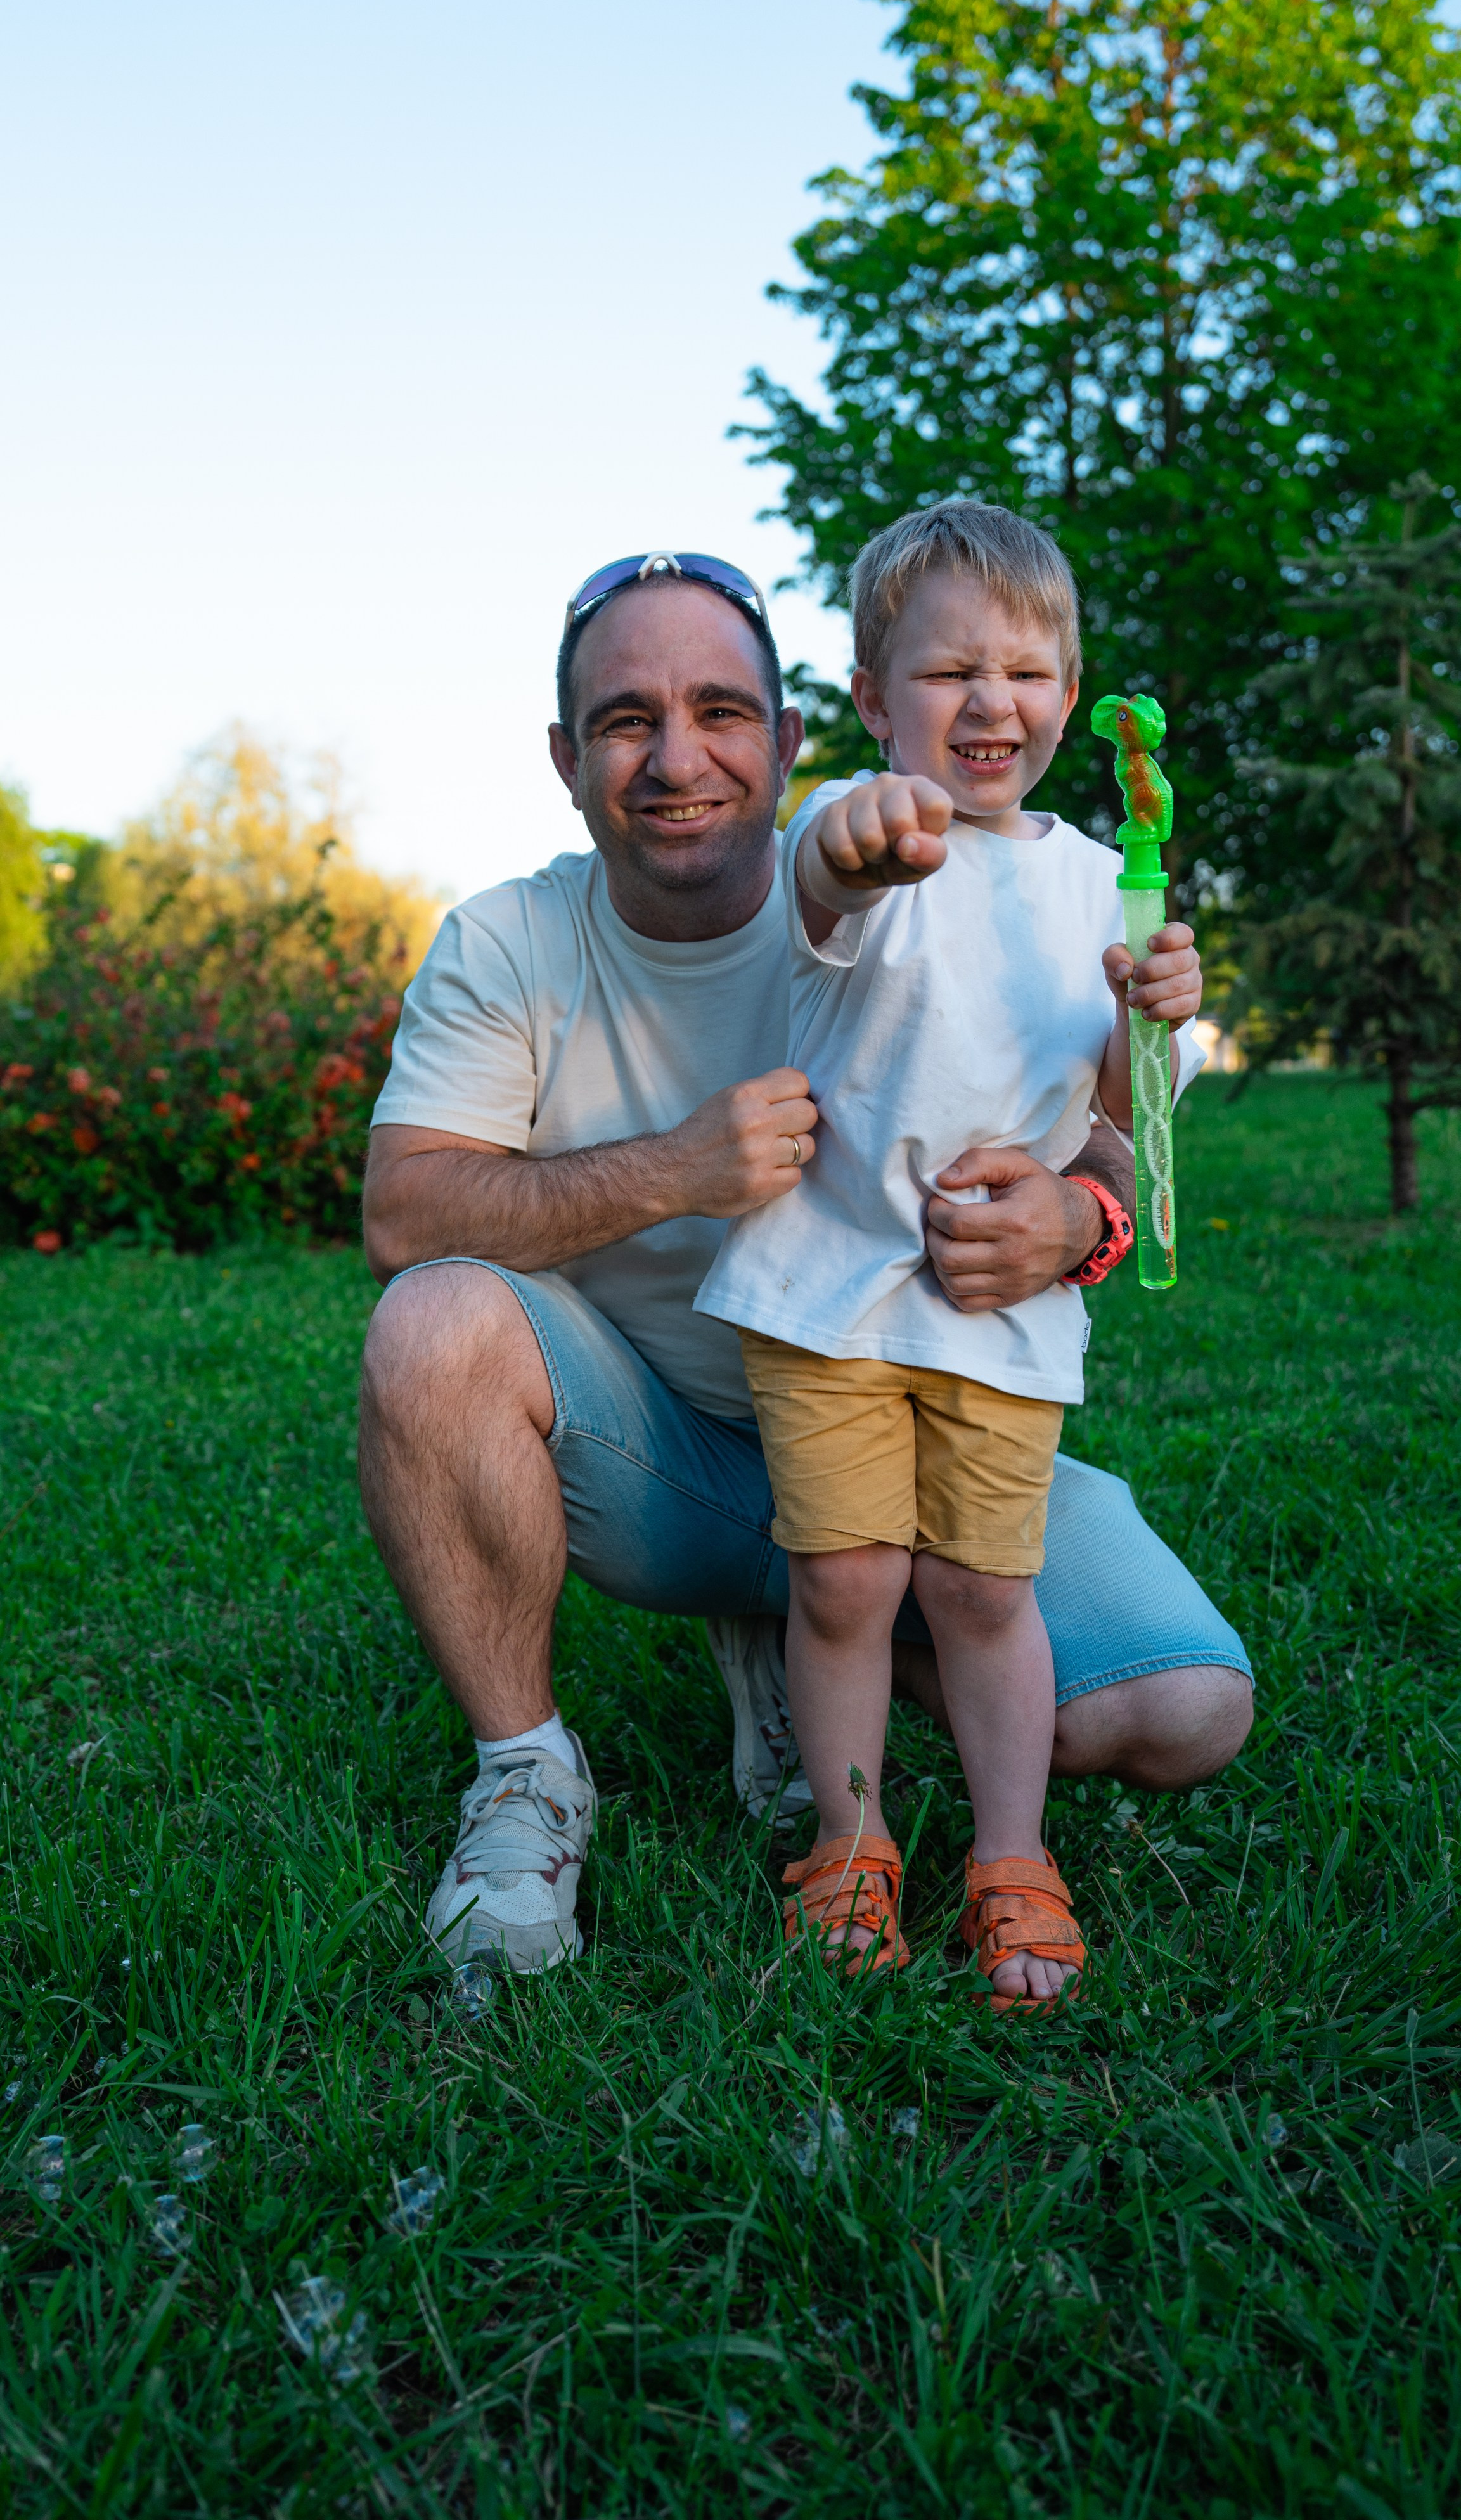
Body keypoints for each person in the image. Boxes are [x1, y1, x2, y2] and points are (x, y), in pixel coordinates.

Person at [357, 546, 1252, 1978]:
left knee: (1183, 1706)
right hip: (664, 1448)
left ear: (783, 736)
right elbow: (402, 1216)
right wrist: (677, 1169)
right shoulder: (551, 929)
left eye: (719, 710)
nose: (674, 759)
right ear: (563, 756)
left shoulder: (1009, 878)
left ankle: (819, 1661)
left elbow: (1110, 1113)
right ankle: (527, 1774)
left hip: (938, 1377)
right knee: (431, 1320)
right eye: (623, 720)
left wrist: (1087, 1218)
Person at [695, 499, 1202, 2007]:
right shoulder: (856, 828)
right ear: (870, 700)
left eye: (1029, 670)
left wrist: (1155, 1015)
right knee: (846, 1576)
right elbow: (820, 905)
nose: (991, 701)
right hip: (827, 1292)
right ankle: (850, 1845)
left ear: (1071, 691)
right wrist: (849, 840)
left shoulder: (1101, 877)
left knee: (985, 1590)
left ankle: (1010, 1852)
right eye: (946, 672)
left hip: (1004, 1311)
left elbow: (1127, 1110)